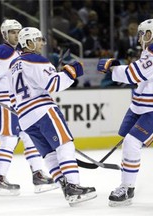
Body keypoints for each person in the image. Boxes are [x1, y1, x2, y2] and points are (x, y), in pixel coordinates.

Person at [8, 27, 97, 206]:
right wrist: (71, 72)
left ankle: (65, 187)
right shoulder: (37, 60)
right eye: (38, 39)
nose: (41, 43)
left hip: (24, 118)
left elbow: (12, 99)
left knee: (49, 154)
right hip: (43, 111)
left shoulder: (12, 66)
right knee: (64, 144)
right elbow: (54, 84)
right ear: (29, 42)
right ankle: (73, 186)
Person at [97, 19, 153, 206]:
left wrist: (111, 69)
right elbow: (139, 75)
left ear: (151, 35)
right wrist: (118, 68)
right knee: (127, 141)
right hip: (140, 106)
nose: (142, 37)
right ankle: (128, 176)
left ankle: (127, 188)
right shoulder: (148, 52)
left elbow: (134, 74)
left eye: (145, 33)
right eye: (142, 33)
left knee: (131, 142)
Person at [0, 19, 57, 196]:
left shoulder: (20, 52)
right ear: (5, 34)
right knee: (9, 138)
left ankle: (38, 175)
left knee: (30, 137)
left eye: (18, 31)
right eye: (12, 32)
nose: (16, 34)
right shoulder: (2, 51)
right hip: (4, 101)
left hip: (18, 103)